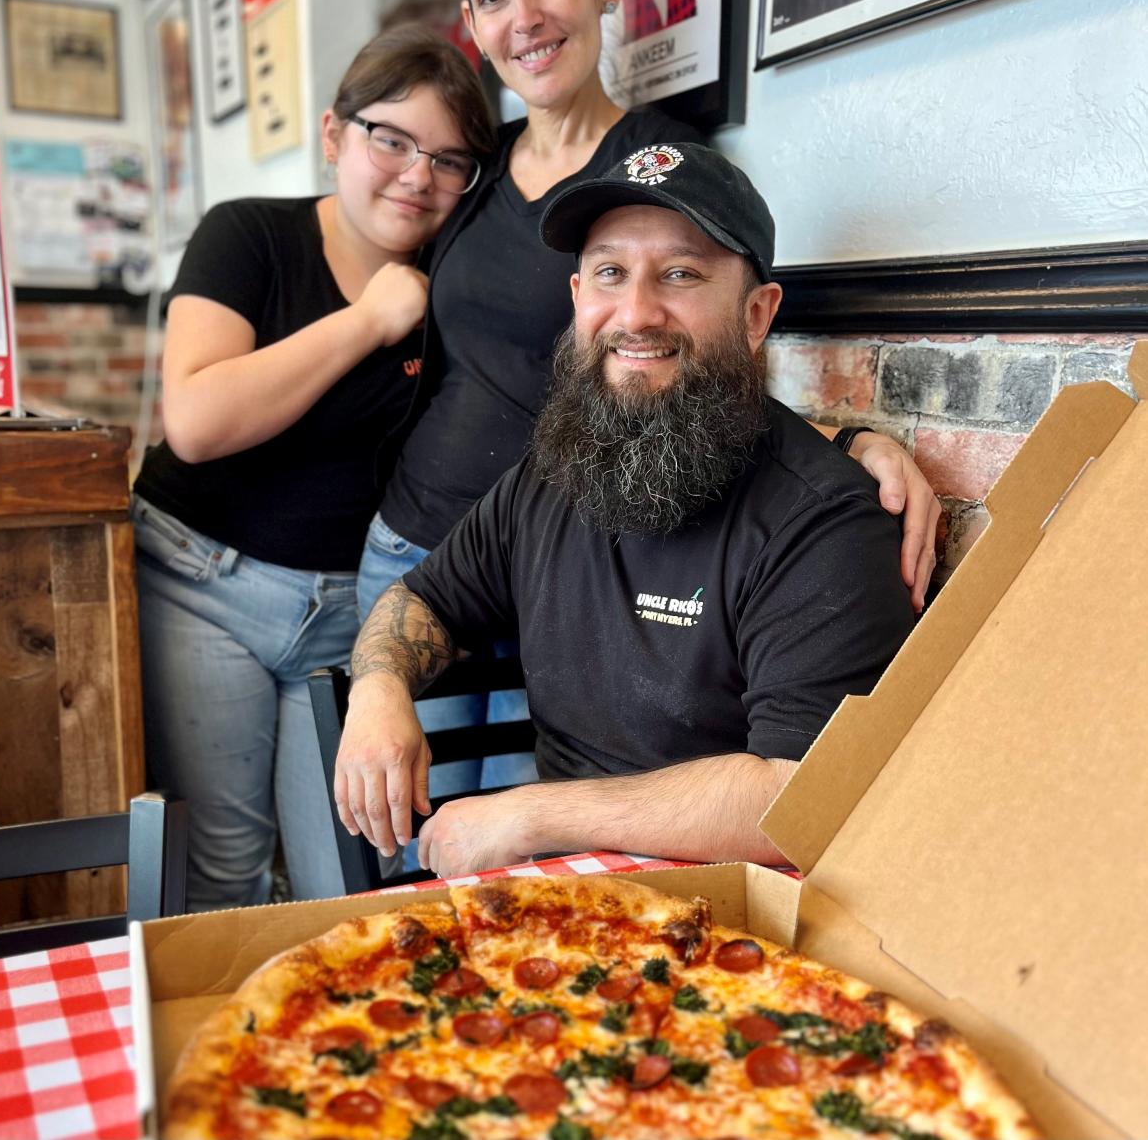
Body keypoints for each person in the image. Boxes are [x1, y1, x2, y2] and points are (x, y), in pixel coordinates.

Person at [357, 0, 940, 802]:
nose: (636, 305)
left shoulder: (665, 167)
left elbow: (696, 377)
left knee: (503, 813)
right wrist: (376, 683)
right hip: (452, 540)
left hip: (579, 546)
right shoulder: (473, 175)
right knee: (411, 834)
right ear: (472, 24)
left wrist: (848, 440)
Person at [336, 143, 916, 878]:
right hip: (553, 897)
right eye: (611, 273)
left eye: (680, 274)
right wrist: (379, 690)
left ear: (756, 314)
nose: (637, 313)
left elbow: (802, 796)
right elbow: (425, 600)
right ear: (579, 296)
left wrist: (529, 814)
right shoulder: (550, 472)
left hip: (736, 914)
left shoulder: (822, 521)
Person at [131, 26, 495, 910]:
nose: (418, 175)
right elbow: (197, 422)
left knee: (346, 877)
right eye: (392, 140)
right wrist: (369, 321)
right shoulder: (249, 235)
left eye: (450, 160)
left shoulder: (458, 285)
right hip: (199, 579)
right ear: (335, 134)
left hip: (348, 611)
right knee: (226, 869)